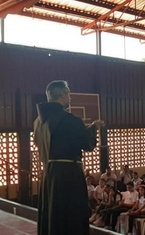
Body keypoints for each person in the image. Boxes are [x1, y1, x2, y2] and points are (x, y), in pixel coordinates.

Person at [34, 80, 104, 235]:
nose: (70, 98)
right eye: (69, 94)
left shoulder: (38, 122)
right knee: (70, 217)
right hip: (68, 175)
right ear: (63, 94)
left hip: (48, 174)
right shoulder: (69, 120)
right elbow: (87, 144)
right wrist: (93, 128)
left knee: (53, 216)